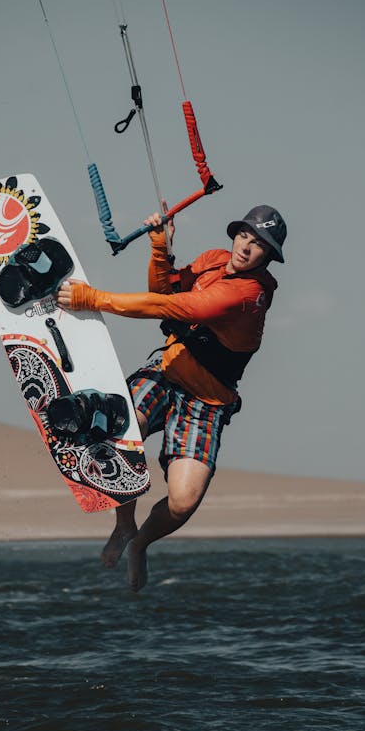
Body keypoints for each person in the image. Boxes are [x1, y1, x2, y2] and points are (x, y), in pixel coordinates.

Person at [56, 204, 287, 592]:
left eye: (259, 244)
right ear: (236, 233)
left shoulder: (250, 295)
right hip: (166, 370)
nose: (247, 247)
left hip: (207, 402)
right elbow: (163, 290)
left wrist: (92, 298)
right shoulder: (214, 260)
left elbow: (171, 307)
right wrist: (160, 247)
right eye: (245, 235)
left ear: (269, 256)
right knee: (117, 435)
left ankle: (141, 543)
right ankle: (124, 523)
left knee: (183, 502)